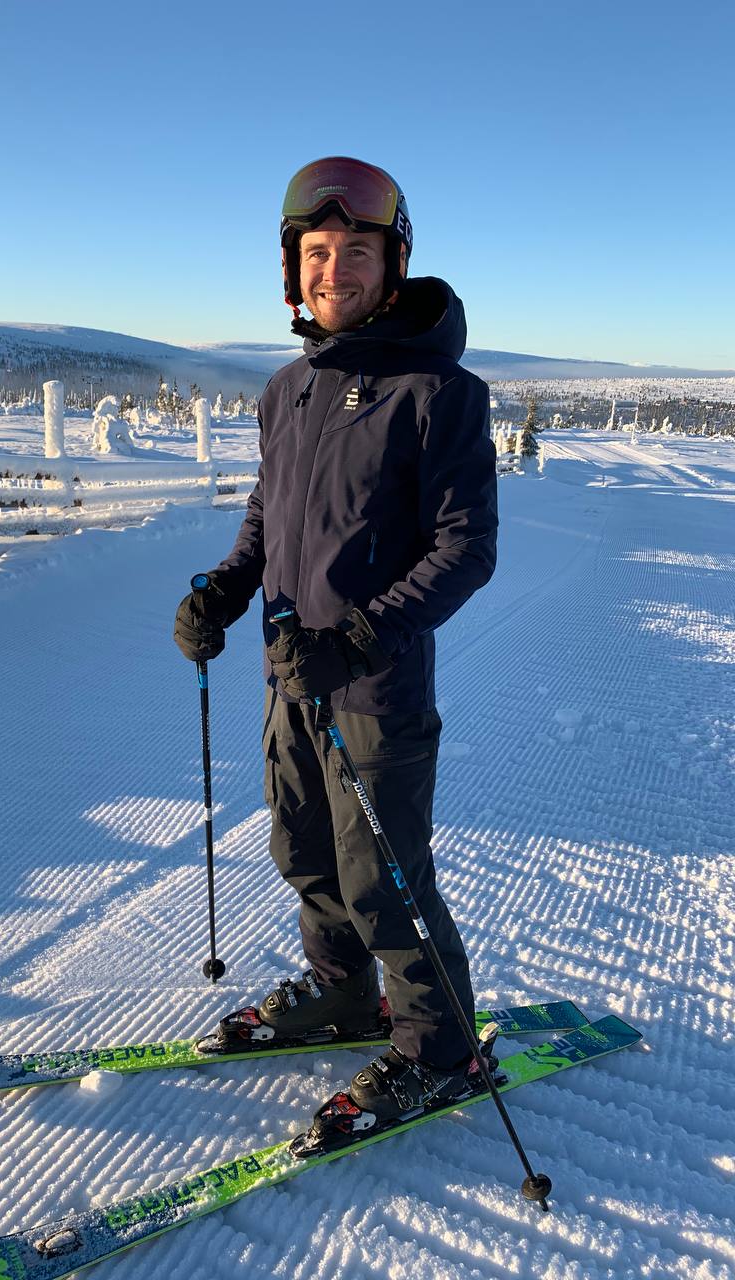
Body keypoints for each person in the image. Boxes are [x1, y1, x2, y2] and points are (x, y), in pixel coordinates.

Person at [174, 155, 498, 1123]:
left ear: (391, 263)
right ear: (292, 268)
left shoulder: (439, 392)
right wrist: (224, 589)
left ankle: (439, 1047)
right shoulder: (288, 389)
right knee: (306, 851)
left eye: (357, 250)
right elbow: (267, 518)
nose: (335, 270)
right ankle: (343, 990)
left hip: (374, 688)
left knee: (383, 875)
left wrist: (358, 639)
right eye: (318, 251)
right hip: (290, 682)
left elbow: (466, 549)